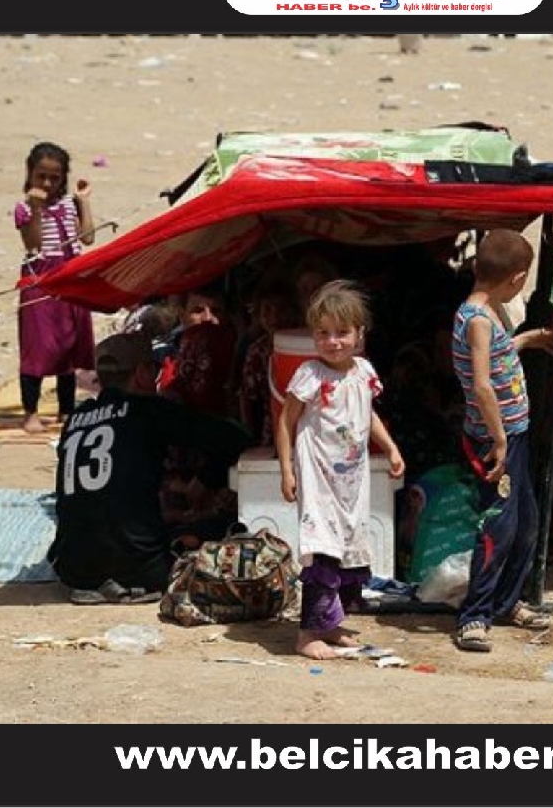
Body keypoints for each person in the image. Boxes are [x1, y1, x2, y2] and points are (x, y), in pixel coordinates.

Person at [48, 332, 251, 602]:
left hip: (74, 569)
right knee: (219, 525)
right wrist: (206, 479)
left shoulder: (76, 418)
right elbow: (235, 438)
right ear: (142, 374)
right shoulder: (147, 410)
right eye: (155, 369)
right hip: (143, 569)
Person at [275, 280, 405, 660]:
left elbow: (368, 413)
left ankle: (330, 624)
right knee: (322, 551)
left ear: (359, 333)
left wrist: (390, 447)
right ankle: (307, 634)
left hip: (351, 483)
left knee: (347, 549)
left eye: (342, 333)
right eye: (323, 334)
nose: (333, 342)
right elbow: (286, 421)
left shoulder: (363, 371)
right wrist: (287, 470)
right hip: (318, 481)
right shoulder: (310, 375)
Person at [450, 228, 553, 653]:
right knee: (498, 525)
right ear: (517, 278)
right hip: (494, 442)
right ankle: (474, 616)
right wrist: (497, 439)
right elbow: (482, 386)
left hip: (515, 435)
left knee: (526, 521)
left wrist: (526, 341)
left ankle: (507, 602)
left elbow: (496, 357)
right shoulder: (477, 320)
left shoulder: (486, 312)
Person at [14, 142, 97, 434]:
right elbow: (33, 244)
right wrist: (36, 210)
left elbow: (88, 238)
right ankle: (31, 412)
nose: (48, 184)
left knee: (69, 346)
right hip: (41, 281)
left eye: (54, 177)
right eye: (42, 177)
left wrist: (83, 202)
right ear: (30, 174)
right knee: (38, 346)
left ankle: (66, 410)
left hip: (71, 277)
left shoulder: (69, 205)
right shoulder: (24, 209)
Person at [240, 269, 303, 447]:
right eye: (267, 310)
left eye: (282, 309)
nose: (275, 317)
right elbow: (249, 399)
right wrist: (250, 437)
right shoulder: (257, 351)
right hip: (271, 434)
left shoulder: (306, 345)